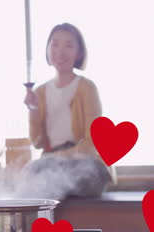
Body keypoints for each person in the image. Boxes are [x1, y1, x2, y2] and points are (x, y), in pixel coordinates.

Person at [21, 23, 115, 199]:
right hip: (52, 164)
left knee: (85, 177)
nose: (60, 51)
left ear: (79, 53)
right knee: (30, 175)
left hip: (82, 161)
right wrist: (33, 109)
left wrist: (56, 158)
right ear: (47, 49)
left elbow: (92, 142)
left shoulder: (87, 87)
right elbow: (37, 142)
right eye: (55, 44)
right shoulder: (40, 91)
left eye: (69, 45)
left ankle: (55, 193)